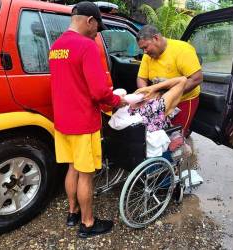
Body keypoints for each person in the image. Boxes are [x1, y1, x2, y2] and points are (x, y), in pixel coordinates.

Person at [49, 1, 126, 239]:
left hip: (62, 121)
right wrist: (117, 101)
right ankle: (88, 223)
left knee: (72, 167)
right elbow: (99, 92)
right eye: (97, 28)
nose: (96, 33)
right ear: (89, 21)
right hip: (83, 123)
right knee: (86, 174)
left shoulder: (56, 46)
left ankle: (73, 213)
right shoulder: (86, 46)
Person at [136, 25, 203, 136]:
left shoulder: (182, 50)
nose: (144, 52)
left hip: (184, 100)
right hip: (159, 101)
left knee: (175, 136)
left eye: (146, 47)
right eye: (142, 49)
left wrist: (169, 95)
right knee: (158, 134)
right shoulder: (148, 55)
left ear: (156, 38)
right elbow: (141, 78)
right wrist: (146, 94)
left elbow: (196, 78)